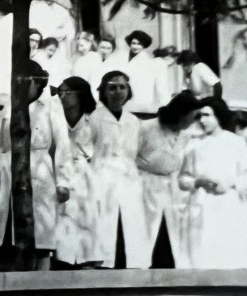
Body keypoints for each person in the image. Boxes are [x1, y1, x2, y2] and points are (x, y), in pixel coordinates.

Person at [0, 61, 71, 270]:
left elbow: (62, 144)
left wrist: (63, 181)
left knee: (40, 236)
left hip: (38, 171)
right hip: (9, 171)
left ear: (37, 81)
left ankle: (42, 279)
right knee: (8, 234)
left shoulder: (51, 107)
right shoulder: (10, 106)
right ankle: (11, 280)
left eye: (26, 80)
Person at [89, 70, 150, 268]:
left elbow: (138, 150)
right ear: (104, 92)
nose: (118, 92)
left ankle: (134, 264)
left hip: (128, 176)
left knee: (132, 219)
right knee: (104, 220)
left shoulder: (133, 120)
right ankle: (103, 263)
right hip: (102, 175)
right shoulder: (94, 118)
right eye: (112, 88)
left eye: (122, 87)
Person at [177, 97, 247, 270]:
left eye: (207, 115)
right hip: (200, 206)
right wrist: (197, 182)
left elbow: (245, 175)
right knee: (200, 255)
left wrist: (229, 184)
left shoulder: (236, 143)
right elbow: (182, 179)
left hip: (227, 205)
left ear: (219, 116)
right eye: (199, 116)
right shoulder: (193, 145)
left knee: (227, 254)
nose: (202, 120)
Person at [137, 91, 200, 269]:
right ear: (181, 113)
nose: (194, 121)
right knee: (145, 238)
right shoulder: (146, 128)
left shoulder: (187, 135)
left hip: (171, 191)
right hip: (144, 188)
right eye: (192, 116)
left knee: (170, 241)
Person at [53, 76, 102, 268]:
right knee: (62, 216)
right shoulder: (56, 118)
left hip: (85, 175)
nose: (62, 96)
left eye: (66, 92)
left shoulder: (93, 120)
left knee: (85, 215)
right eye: (59, 92)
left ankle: (87, 259)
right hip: (61, 171)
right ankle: (62, 259)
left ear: (79, 94)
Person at [119, 30, 165, 114]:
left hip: (140, 99)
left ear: (143, 45)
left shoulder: (147, 61)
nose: (135, 46)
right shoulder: (123, 58)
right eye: (133, 43)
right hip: (125, 98)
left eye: (139, 44)